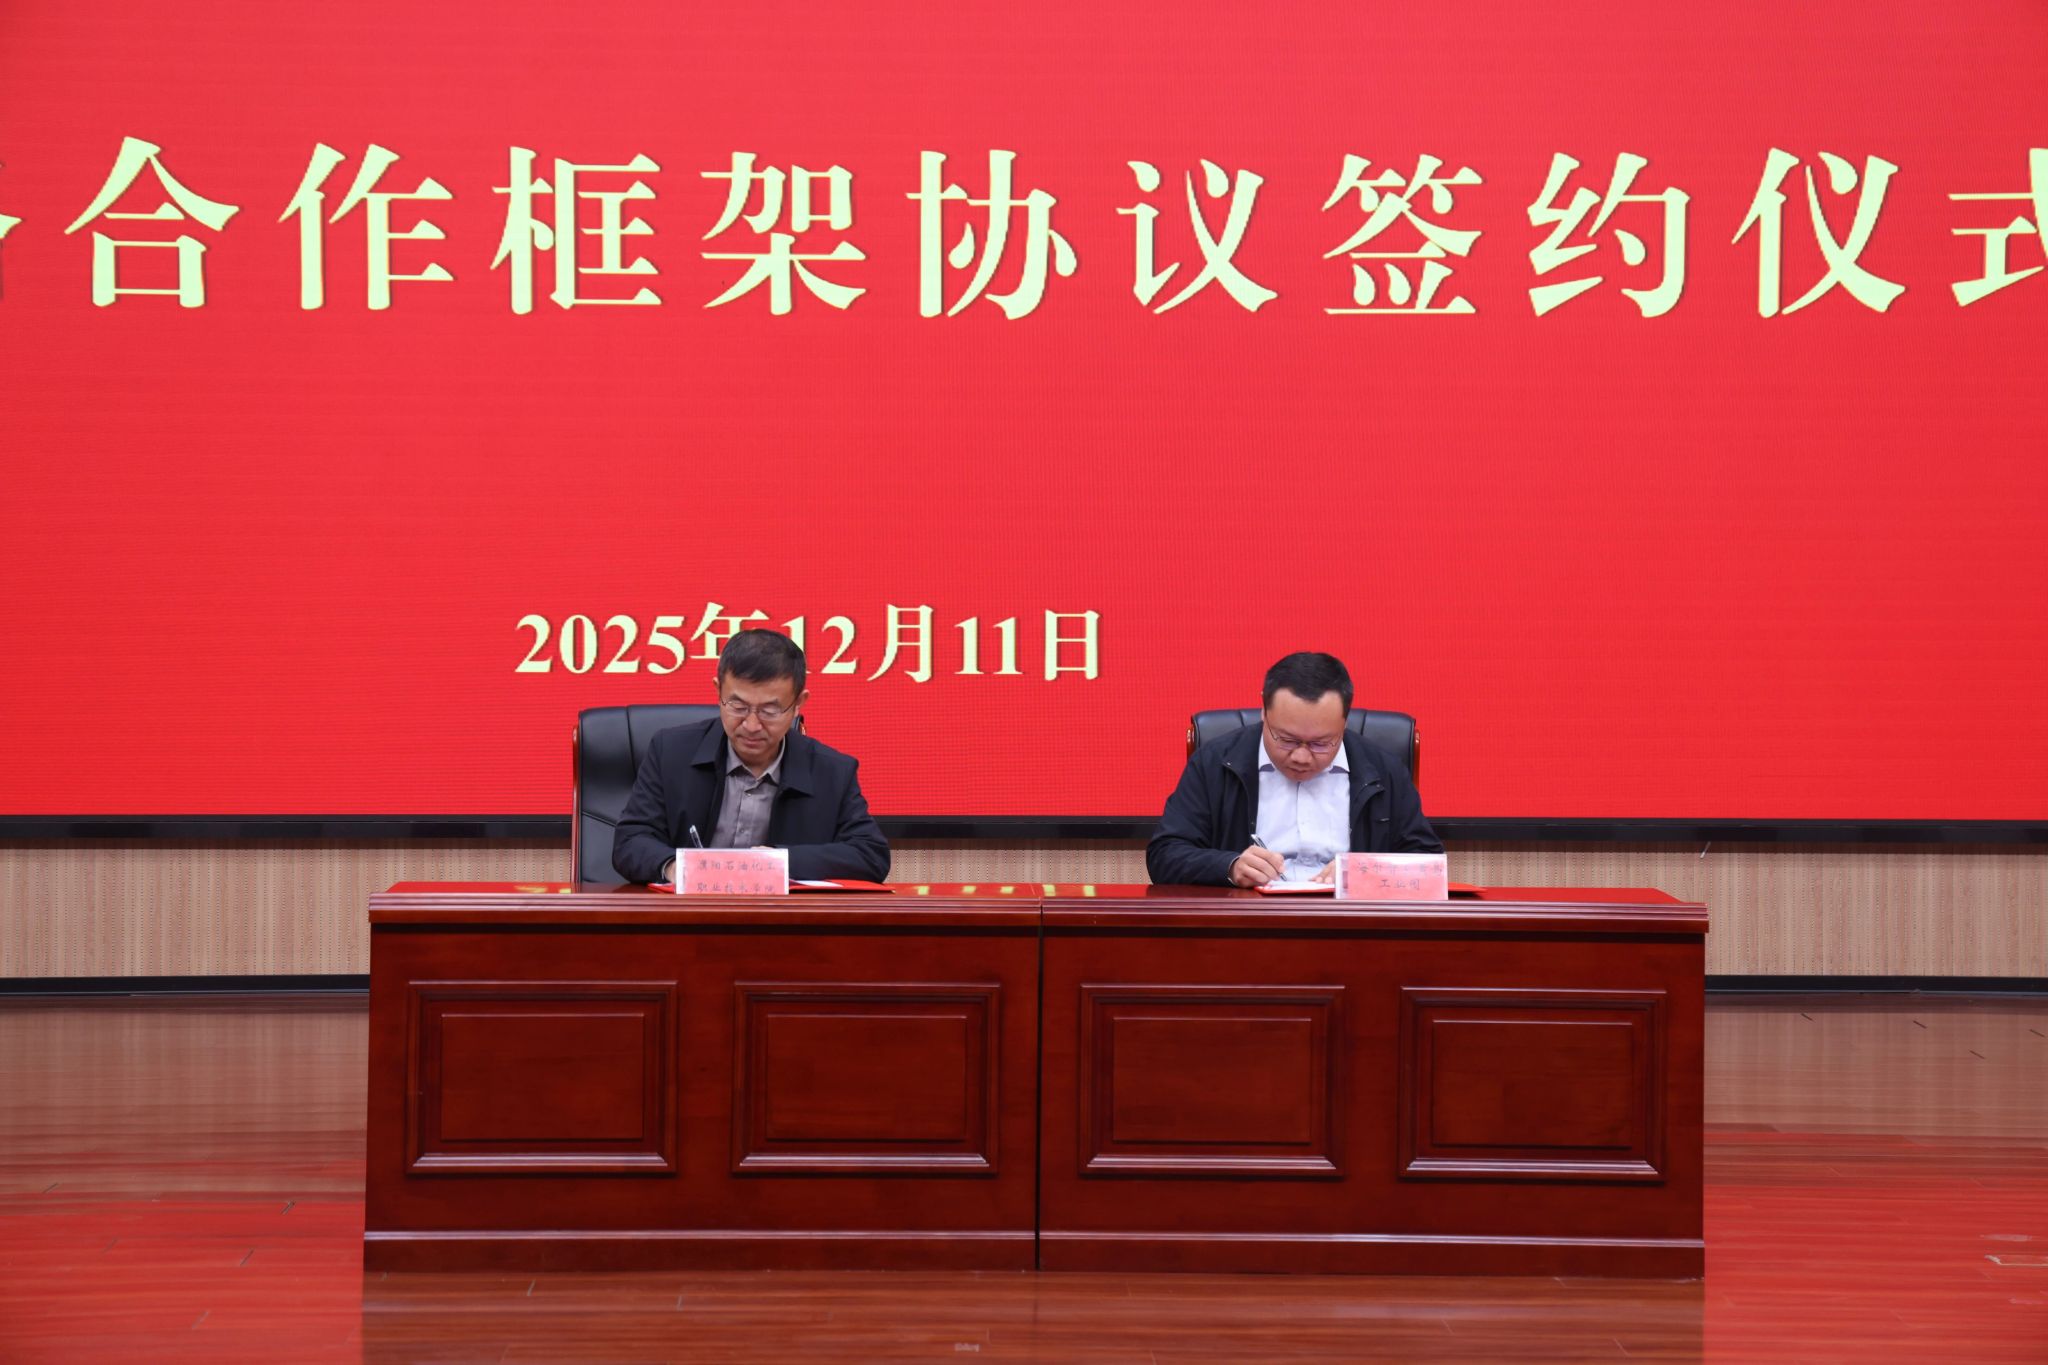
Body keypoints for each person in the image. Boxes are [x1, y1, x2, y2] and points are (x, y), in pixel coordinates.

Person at [611, 629, 890, 884]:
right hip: (685, 916)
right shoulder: (670, 752)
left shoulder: (832, 772)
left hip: (782, 919)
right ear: (718, 691)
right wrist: (676, 867)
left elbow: (871, 856)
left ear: (798, 704)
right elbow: (630, 840)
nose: (752, 725)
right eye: (738, 706)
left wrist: (774, 863)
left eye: (770, 711)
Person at [1147, 651, 1441, 887]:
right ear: (1264, 713)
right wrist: (1230, 866)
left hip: (1350, 924)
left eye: (1321, 743)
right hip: (1248, 922)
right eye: (1286, 740)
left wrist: (1364, 871)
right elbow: (1164, 855)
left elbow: (1429, 863)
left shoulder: (1382, 769)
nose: (1301, 757)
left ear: (1344, 723)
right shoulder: (1215, 762)